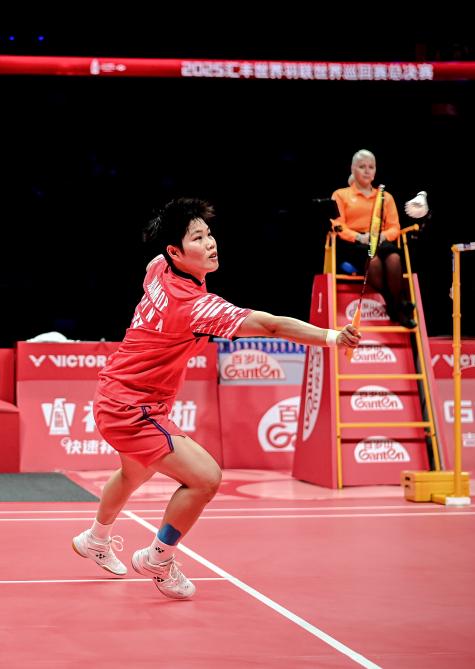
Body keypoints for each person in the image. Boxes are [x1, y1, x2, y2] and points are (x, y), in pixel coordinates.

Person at [71, 197, 359, 599]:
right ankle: (158, 558)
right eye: (197, 238)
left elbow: (156, 265)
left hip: (115, 393)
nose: (210, 243)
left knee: (135, 473)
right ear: (175, 252)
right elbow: (271, 327)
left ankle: (95, 539)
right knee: (205, 478)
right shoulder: (196, 307)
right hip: (131, 408)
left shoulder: (158, 269)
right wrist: (332, 336)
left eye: (208, 235)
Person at [330, 149, 415, 328]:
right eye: (362, 167)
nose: (367, 171)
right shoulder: (340, 195)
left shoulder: (385, 197)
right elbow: (338, 225)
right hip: (354, 244)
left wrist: (382, 235)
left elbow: (394, 227)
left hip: (381, 242)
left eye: (371, 167)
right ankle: (398, 305)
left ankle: (394, 306)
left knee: (394, 258)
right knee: (374, 262)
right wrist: (359, 237)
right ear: (353, 169)